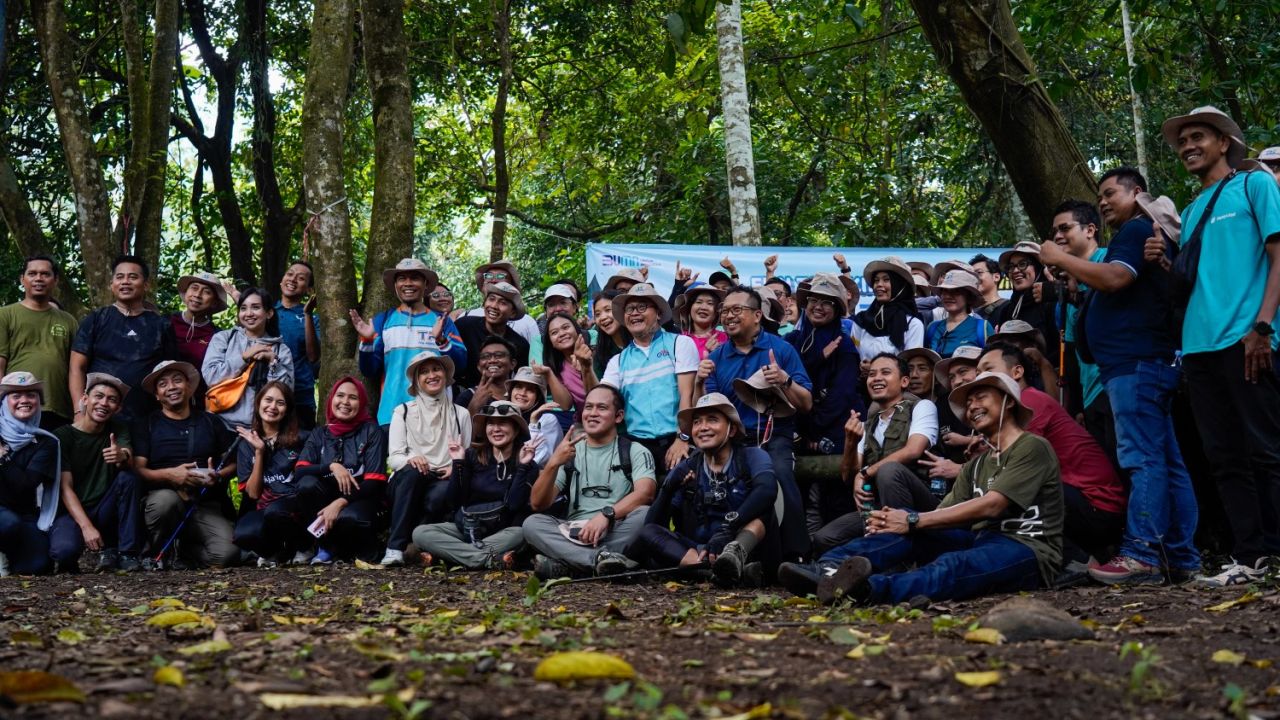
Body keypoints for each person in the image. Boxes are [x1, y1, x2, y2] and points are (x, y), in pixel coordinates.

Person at [778, 372, 1064, 606]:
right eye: (970, 401)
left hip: (1027, 549)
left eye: (981, 397)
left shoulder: (1032, 447)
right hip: (980, 538)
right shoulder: (977, 464)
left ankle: (864, 590)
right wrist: (895, 522)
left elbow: (992, 505)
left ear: (1008, 402)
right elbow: (942, 514)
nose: (973, 406)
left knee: (954, 564)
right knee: (911, 530)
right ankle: (828, 569)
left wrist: (913, 520)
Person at [1149, 105, 1280, 585]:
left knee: (1265, 449)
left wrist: (1263, 326)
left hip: (1247, 338)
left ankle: (1276, 551)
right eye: (1182, 141)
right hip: (1199, 347)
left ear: (1224, 142)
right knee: (1223, 456)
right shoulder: (1190, 209)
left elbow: (1278, 254)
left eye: (1197, 137)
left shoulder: (1255, 185)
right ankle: (1251, 557)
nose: (1188, 146)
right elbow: (1198, 282)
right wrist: (1166, 262)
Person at [976, 344, 1126, 568]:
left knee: (1018, 488)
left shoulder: (1030, 401)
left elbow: (1015, 467)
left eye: (988, 369)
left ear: (1017, 372)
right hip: (1078, 503)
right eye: (977, 373)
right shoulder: (1013, 411)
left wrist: (958, 469)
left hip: (1098, 507)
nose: (980, 377)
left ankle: (1080, 561)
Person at [696, 285, 813, 561]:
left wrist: (784, 380)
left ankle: (798, 555)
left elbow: (806, 403)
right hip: (732, 441)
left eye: (737, 309)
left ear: (758, 315)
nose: (728, 316)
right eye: (724, 311)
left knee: (781, 475)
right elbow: (706, 408)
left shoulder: (781, 349)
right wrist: (700, 381)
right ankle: (708, 550)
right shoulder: (716, 358)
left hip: (775, 438)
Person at [629, 393, 778, 586]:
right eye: (697, 422)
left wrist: (728, 527)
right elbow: (653, 525)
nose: (703, 427)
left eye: (713, 420)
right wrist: (668, 490)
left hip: (748, 548)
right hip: (703, 551)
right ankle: (712, 572)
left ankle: (734, 560)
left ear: (731, 430)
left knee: (764, 509)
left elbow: (767, 490)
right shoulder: (687, 467)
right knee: (649, 532)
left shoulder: (752, 456)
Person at [809, 354, 939, 555]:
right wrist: (850, 443)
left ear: (904, 381)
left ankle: (898, 556)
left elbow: (914, 450)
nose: (876, 378)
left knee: (889, 470)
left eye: (885, 372)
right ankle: (866, 562)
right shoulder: (868, 425)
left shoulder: (921, 407)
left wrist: (866, 473)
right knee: (825, 538)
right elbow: (848, 475)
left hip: (922, 505)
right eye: (871, 374)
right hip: (879, 506)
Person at [522, 384, 657, 579]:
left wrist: (606, 515)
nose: (592, 413)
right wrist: (553, 463)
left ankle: (572, 564)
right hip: (574, 533)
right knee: (532, 524)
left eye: (601, 408)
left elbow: (646, 493)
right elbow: (538, 503)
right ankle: (600, 559)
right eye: (588, 407)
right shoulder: (569, 452)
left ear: (618, 416)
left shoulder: (635, 450)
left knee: (645, 514)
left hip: (615, 527)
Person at [132, 361, 238, 569]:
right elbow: (138, 469)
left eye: (177, 381)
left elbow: (233, 463)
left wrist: (218, 475)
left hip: (202, 505)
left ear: (189, 387)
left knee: (226, 555)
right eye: (163, 384)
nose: (171, 387)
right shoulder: (147, 424)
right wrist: (170, 475)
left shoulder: (211, 422)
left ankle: (184, 551)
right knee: (165, 501)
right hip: (163, 502)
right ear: (157, 395)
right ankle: (156, 552)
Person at [412, 401, 538, 569]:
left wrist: (522, 467)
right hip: (467, 526)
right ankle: (485, 558)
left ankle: (454, 558)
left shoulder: (528, 463)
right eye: (491, 424)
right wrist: (457, 463)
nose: (496, 429)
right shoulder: (472, 455)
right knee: (421, 533)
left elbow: (515, 504)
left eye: (503, 423)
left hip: (503, 532)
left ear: (516, 429)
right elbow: (454, 502)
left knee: (522, 534)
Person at [1038, 198, 1115, 461]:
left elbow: (1110, 284)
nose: (1058, 236)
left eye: (1065, 228)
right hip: (1091, 394)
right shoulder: (1066, 289)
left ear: (1090, 230)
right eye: (1054, 232)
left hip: (1118, 384)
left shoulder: (1109, 260)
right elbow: (1072, 354)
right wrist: (1077, 407)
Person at [595, 284, 697, 479]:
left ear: (658, 313)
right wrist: (584, 368)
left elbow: (688, 395)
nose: (634, 313)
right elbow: (602, 400)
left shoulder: (680, 344)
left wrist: (683, 437)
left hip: (677, 440)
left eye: (642, 307)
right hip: (636, 446)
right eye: (629, 309)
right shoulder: (618, 361)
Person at [283, 377, 388, 564]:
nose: (345, 402)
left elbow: (374, 481)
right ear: (331, 399)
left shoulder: (372, 431)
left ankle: (357, 550)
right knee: (306, 485)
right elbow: (299, 472)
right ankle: (325, 547)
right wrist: (331, 466)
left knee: (349, 518)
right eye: (340, 396)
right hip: (323, 501)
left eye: (353, 398)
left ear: (362, 403)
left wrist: (340, 503)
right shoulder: (319, 433)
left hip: (360, 500)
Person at [380, 352, 472, 566]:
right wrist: (412, 458)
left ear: (445, 375)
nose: (431, 375)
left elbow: (466, 454)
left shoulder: (461, 415)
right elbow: (394, 458)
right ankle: (395, 547)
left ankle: (418, 546)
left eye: (436, 369)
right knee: (413, 473)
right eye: (424, 372)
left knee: (439, 495)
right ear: (416, 380)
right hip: (408, 479)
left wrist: (455, 466)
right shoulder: (402, 411)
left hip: (442, 478)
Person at [352, 258, 466, 429]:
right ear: (395, 285)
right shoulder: (383, 320)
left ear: (426, 284)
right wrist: (367, 341)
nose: (408, 283)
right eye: (402, 279)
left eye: (414, 278)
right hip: (393, 414)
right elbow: (369, 371)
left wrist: (441, 341)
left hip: (436, 415)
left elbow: (461, 365)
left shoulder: (442, 321)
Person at [49, 373, 142, 572]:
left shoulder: (117, 428)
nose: (104, 403)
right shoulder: (63, 436)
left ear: (118, 408)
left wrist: (122, 456)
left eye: (112, 400)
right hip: (72, 511)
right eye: (98, 396)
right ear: (84, 399)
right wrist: (86, 527)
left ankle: (127, 553)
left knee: (128, 477)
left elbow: (127, 455)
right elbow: (65, 487)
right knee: (64, 553)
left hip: (104, 508)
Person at [70, 255, 177, 421]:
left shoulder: (161, 325)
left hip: (146, 417)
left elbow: (170, 373)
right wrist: (78, 410)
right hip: (97, 415)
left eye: (133, 277)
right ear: (112, 285)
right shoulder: (97, 319)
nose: (125, 281)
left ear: (146, 285)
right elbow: (76, 368)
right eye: (120, 277)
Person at [786, 273, 863, 456]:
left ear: (837, 309)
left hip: (834, 429)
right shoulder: (792, 340)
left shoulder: (843, 344)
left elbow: (842, 395)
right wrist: (818, 358)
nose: (818, 307)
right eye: (814, 300)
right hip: (799, 429)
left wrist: (815, 431)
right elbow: (789, 382)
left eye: (827, 302)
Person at [230, 381, 305, 566]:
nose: (272, 407)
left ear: (287, 409)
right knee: (243, 534)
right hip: (264, 508)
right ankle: (275, 553)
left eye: (280, 403)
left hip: (294, 505)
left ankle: (304, 546)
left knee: (277, 512)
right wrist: (259, 452)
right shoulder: (246, 444)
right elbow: (254, 493)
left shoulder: (302, 438)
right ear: (258, 404)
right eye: (268, 400)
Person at [0, 256, 79, 429]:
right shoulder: (5, 315)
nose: (38, 278)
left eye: (45, 274)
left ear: (55, 280)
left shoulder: (68, 321)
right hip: (16, 407)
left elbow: (77, 368)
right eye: (32, 273)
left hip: (59, 408)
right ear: (22, 279)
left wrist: (79, 410)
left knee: (54, 455)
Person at [202, 288, 295, 429]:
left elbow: (286, 393)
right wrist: (243, 358)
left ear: (269, 313)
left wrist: (273, 363)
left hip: (260, 428)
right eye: (243, 308)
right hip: (219, 424)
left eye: (256, 307)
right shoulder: (224, 338)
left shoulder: (281, 350)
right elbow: (211, 376)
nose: (249, 313)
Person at [0, 372, 61, 575]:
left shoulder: (46, 442)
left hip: (23, 513)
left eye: (31, 395)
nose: (24, 400)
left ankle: (7, 553)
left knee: (38, 567)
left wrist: (3, 457)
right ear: (4, 402)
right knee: (7, 523)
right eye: (16, 395)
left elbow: (26, 485)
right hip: (4, 517)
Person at [992, 242, 1060, 368]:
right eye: (1011, 267)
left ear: (1038, 268)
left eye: (1022, 264)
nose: (1016, 271)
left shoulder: (1052, 304)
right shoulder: (1006, 310)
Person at [455, 281, 531, 387]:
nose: (494, 306)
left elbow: (522, 380)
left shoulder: (519, 344)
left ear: (512, 312)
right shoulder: (465, 325)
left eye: (503, 303)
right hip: (462, 393)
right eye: (491, 299)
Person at [170, 271, 228, 408]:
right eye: (194, 288)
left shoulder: (217, 335)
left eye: (206, 292)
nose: (197, 295)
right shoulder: (166, 323)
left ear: (214, 302)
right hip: (164, 400)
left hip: (200, 403)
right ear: (186, 293)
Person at [850, 257, 924, 361]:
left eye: (886, 279)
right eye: (876, 280)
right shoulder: (861, 320)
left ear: (900, 285)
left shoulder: (912, 324)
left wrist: (874, 369)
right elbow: (853, 356)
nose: (879, 285)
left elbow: (910, 364)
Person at [276, 261, 321, 429]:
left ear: (309, 289)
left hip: (301, 395)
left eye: (301, 278)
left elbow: (313, 356)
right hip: (269, 393)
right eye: (290, 274)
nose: (293, 279)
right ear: (281, 280)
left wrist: (307, 314)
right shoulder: (268, 312)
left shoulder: (314, 319)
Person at [465, 260, 540, 345]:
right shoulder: (466, 318)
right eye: (488, 276)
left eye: (500, 276)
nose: (493, 280)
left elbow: (536, 355)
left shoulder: (527, 322)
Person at [925, 270, 992, 357]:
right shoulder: (933, 327)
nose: (948, 296)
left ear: (968, 296)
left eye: (956, 291)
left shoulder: (982, 327)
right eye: (944, 291)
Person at [506, 366, 563, 467]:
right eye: (518, 386)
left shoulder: (548, 419)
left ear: (538, 397)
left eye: (530, 390)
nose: (522, 393)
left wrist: (533, 423)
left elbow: (539, 460)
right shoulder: (501, 414)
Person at [537, 313, 589, 421]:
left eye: (565, 327)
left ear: (576, 329)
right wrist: (549, 374)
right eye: (554, 333)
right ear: (550, 341)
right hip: (584, 421)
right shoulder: (559, 367)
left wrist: (586, 368)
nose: (561, 334)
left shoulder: (595, 354)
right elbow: (565, 405)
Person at [457, 336, 519, 416]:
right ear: (479, 366)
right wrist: (474, 406)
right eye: (486, 356)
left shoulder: (521, 396)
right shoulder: (467, 396)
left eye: (499, 355)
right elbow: (456, 427)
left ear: (512, 364)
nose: (492, 360)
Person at [677, 284, 728, 361]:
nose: (703, 307)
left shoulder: (726, 338)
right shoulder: (678, 340)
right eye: (698, 302)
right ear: (689, 308)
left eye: (710, 303)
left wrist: (717, 354)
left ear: (717, 311)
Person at [591, 290, 630, 379]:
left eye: (608, 310)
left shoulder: (641, 340)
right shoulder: (600, 354)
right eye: (597, 314)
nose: (603, 317)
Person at [969, 254, 1007, 321]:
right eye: (970, 274)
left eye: (979, 272)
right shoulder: (967, 312)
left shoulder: (1008, 308)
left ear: (996, 277)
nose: (973, 277)